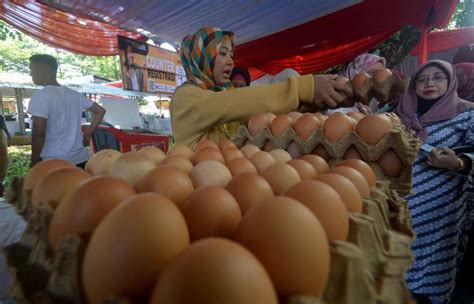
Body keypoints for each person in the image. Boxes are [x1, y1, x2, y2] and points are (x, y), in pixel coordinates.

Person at [171, 27, 353, 148]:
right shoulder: (185, 97)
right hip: (200, 187)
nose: (230, 62)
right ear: (200, 58)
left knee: (287, 74)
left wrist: (306, 105)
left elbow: (256, 116)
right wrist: (303, 88)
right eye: (223, 54)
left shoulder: (226, 90)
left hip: (233, 178)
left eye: (232, 55)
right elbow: (239, 102)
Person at [395, 60, 474, 304]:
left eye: (438, 77)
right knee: (393, 269)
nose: (429, 83)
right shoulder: (398, 113)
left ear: (450, 82)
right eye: (422, 79)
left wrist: (459, 162)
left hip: (438, 214)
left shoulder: (467, 113)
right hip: (396, 208)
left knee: (428, 278)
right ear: (414, 85)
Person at [28, 54, 106, 168]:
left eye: (31, 69)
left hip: (54, 162)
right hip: (80, 159)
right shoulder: (74, 94)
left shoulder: (41, 96)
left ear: (43, 70)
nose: (30, 73)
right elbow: (100, 111)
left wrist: (34, 159)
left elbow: (39, 133)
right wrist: (87, 134)